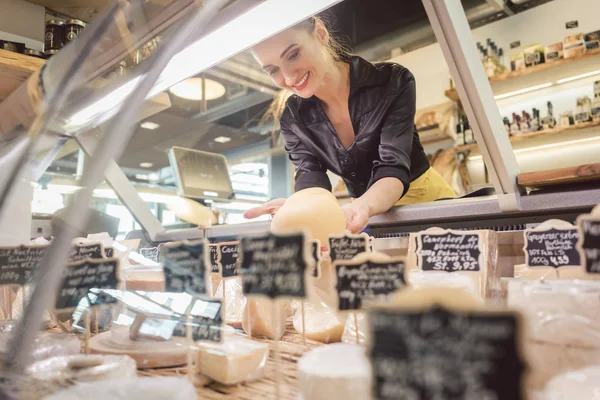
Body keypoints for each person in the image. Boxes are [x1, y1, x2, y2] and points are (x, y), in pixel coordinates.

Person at [244, 16, 456, 233]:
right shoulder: (293, 118)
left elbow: (392, 165)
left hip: (431, 210)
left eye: (294, 54)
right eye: (272, 70)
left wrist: (362, 205)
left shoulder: (391, 81)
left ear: (320, 33)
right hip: (366, 219)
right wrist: (300, 207)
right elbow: (310, 177)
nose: (288, 78)